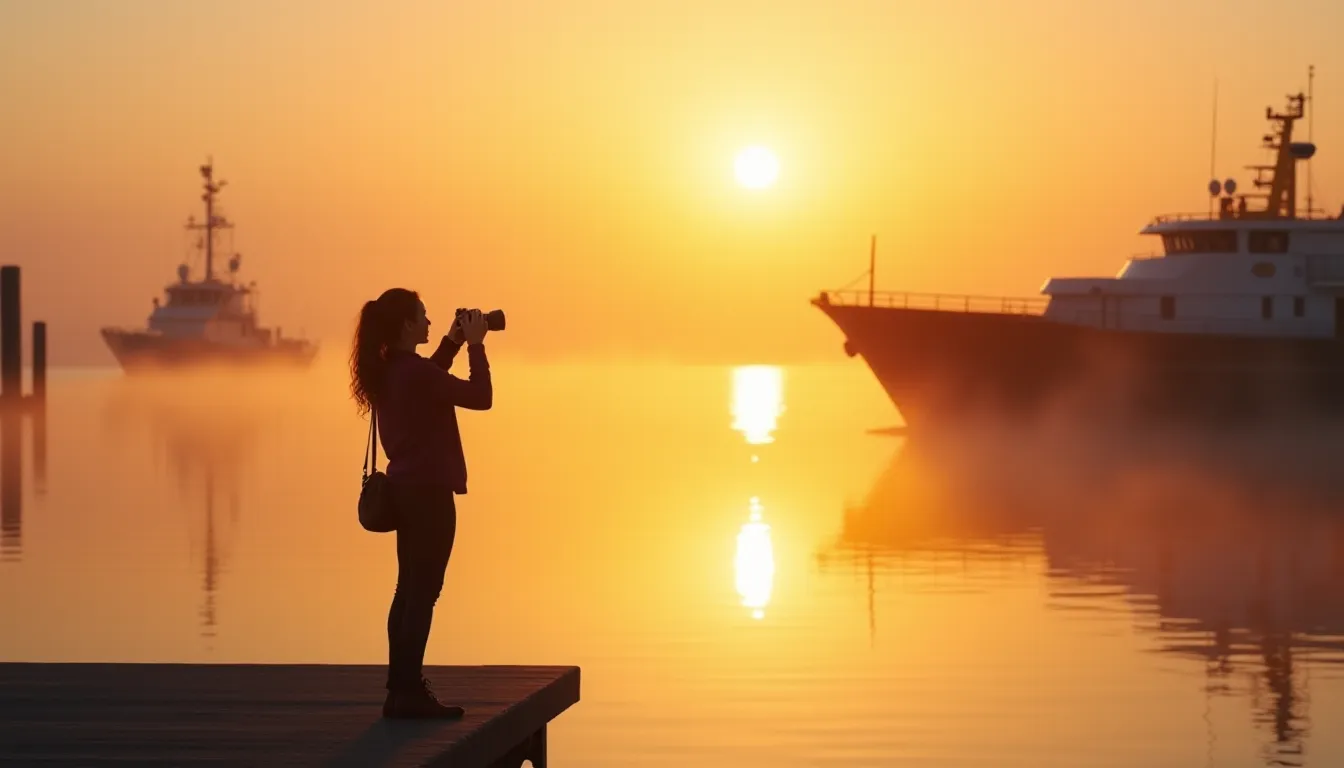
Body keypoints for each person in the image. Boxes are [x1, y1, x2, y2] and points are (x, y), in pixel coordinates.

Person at [349, 289, 492, 719]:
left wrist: (451, 342)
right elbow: (480, 397)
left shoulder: (392, 369)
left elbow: (429, 376)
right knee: (423, 594)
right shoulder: (413, 373)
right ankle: (409, 692)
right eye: (425, 317)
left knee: (407, 590)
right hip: (430, 495)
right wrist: (477, 345)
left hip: (405, 491)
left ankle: (400, 688)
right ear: (408, 326)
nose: (431, 323)